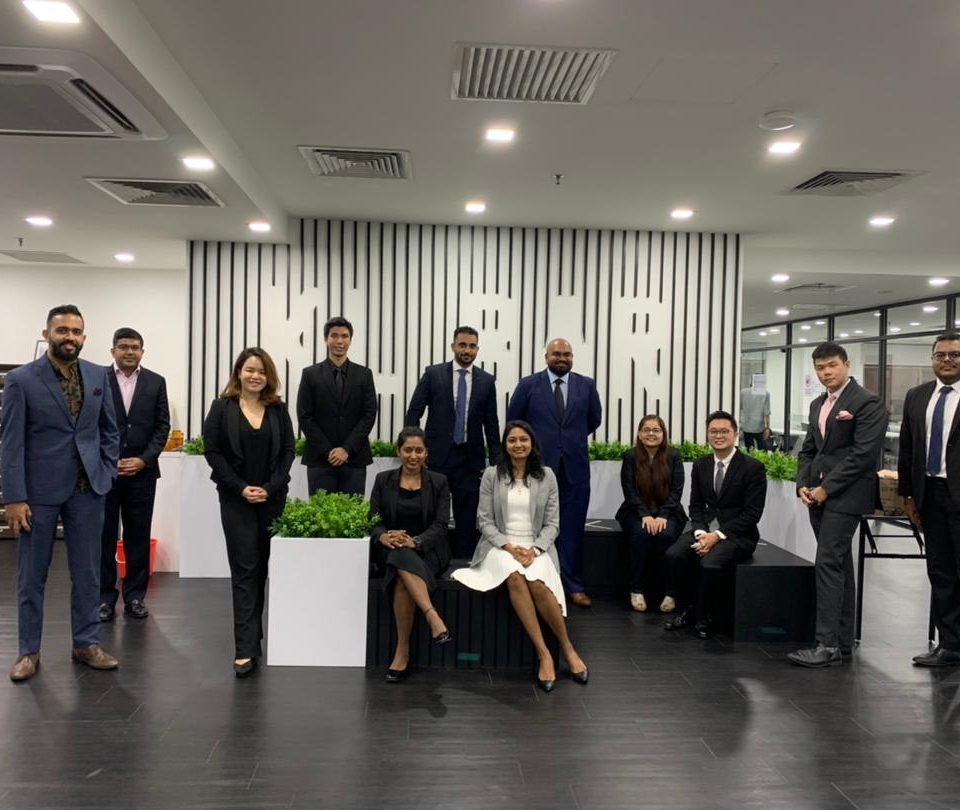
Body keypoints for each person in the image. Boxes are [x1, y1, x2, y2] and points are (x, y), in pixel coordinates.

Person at [2, 304, 120, 682]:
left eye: (76, 331)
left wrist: (106, 470)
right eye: (62, 330)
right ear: (47, 334)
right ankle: (28, 651)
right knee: (32, 575)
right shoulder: (21, 380)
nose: (70, 337)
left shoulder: (98, 375)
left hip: (88, 490)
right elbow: (11, 443)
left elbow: (109, 430)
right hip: (38, 493)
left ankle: (86, 643)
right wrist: (14, 497)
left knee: (88, 572)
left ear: (84, 337)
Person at [452, 421, 589, 692]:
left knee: (536, 580)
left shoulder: (547, 476)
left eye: (523, 439)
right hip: (499, 547)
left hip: (536, 546)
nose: (518, 445)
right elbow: (484, 521)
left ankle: (567, 648)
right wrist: (508, 546)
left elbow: (553, 524)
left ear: (532, 443)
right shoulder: (492, 475)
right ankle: (544, 654)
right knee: (514, 575)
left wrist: (535, 550)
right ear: (505, 445)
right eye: (512, 440)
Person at [789, 341, 887, 668]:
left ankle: (826, 644)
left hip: (847, 496)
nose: (826, 372)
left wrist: (826, 489)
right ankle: (842, 642)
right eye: (820, 368)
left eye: (832, 365)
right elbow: (809, 450)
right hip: (817, 495)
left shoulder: (867, 402)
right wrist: (803, 484)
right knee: (839, 565)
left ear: (847, 365)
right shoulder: (818, 403)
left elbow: (863, 456)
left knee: (828, 563)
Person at [204, 347, 295, 677]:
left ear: (269, 377)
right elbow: (213, 452)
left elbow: (288, 452)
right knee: (244, 569)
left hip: (272, 498)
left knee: (263, 569)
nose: (256, 376)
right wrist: (241, 487)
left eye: (261, 371)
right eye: (250, 370)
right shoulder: (221, 407)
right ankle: (245, 648)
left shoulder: (278, 409)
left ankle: (253, 636)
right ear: (238, 373)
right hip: (235, 499)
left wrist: (270, 487)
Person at [506, 338, 602, 607]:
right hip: (536, 469)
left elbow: (594, 419)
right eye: (557, 354)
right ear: (546, 357)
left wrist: (568, 441)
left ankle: (573, 586)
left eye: (567, 354)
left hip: (575, 470)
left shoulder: (586, 385)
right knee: (535, 527)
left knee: (572, 530)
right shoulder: (528, 385)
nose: (562, 358)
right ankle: (539, 581)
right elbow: (515, 422)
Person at [664, 410, 766, 639]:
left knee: (709, 562)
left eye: (724, 431)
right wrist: (701, 532)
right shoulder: (701, 464)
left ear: (736, 434)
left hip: (738, 534)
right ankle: (688, 609)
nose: (718, 436)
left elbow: (752, 514)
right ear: (707, 434)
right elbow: (695, 506)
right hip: (705, 528)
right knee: (674, 554)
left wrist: (716, 536)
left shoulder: (753, 467)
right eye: (713, 431)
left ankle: (704, 617)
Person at [405, 326, 502, 558]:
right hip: (436, 458)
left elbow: (491, 424)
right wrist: (416, 451)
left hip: (470, 461)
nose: (467, 350)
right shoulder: (433, 374)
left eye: (472, 346)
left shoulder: (486, 381)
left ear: (477, 349)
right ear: (453, 346)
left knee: (466, 519)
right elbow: (414, 412)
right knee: (431, 515)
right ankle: (429, 562)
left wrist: (496, 462)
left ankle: (462, 565)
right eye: (462, 345)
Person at [369, 427, 453, 682]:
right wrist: (384, 536)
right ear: (399, 452)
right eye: (408, 450)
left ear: (426, 453)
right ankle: (432, 616)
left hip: (428, 551)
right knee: (400, 558)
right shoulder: (383, 480)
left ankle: (402, 651)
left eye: (418, 450)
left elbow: (441, 525)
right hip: (390, 549)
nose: (413, 456)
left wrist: (415, 542)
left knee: (402, 571)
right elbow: (373, 520)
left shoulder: (439, 482)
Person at [98, 328, 170, 622]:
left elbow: (162, 427)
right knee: (103, 537)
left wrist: (143, 460)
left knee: (138, 536)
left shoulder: (156, 382)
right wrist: (106, 459)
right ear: (113, 350)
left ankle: (135, 597)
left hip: (142, 474)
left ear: (142, 351)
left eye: (135, 347)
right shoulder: (98, 379)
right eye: (124, 346)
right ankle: (104, 598)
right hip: (105, 473)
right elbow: (89, 425)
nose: (130, 352)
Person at [898, 331, 960, 667]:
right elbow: (907, 449)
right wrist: (907, 494)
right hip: (930, 494)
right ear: (932, 359)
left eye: (955, 354)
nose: (947, 360)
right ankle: (949, 645)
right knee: (941, 572)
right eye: (940, 355)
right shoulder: (918, 395)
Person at [297, 316, 377, 496]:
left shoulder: (364, 374)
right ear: (326, 339)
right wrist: (329, 451)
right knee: (321, 511)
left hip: (354, 458)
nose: (339, 341)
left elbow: (369, 414)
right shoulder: (310, 374)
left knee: (352, 511)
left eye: (344, 336)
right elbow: (304, 416)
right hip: (320, 459)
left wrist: (347, 449)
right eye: (334, 335)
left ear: (350, 340)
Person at [615, 415, 687, 613]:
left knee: (666, 535)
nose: (651, 434)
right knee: (641, 533)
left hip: (669, 510)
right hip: (635, 510)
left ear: (663, 434)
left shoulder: (674, 455)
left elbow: (677, 490)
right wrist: (645, 515)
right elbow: (629, 490)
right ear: (639, 434)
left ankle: (670, 592)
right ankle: (636, 589)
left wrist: (663, 515)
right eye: (646, 430)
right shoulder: (630, 456)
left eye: (656, 430)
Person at [739, 386, 771, 450]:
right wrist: (767, 428)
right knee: (762, 449)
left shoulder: (743, 392)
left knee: (749, 449)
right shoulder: (766, 393)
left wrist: (739, 422)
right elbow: (766, 412)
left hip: (746, 424)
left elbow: (740, 407)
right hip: (759, 426)